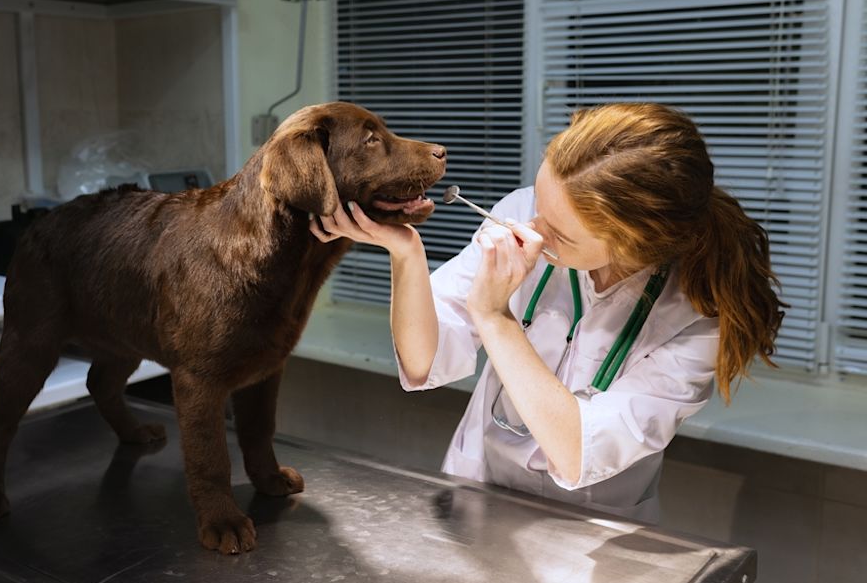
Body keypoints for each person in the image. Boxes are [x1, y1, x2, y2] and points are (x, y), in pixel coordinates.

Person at [309, 102, 785, 523]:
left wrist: (495, 317)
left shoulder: (698, 317)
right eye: (540, 202)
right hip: (479, 491)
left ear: (637, 243)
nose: (532, 229)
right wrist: (406, 253)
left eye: (560, 234)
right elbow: (421, 361)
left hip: (594, 531)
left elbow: (579, 451)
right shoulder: (523, 211)